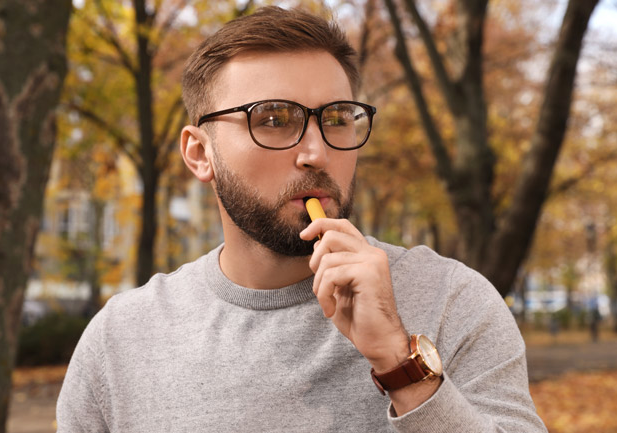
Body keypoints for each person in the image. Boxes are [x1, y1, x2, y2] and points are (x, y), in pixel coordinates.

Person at [57, 6, 546, 432]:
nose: (316, 152)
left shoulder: (450, 300)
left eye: (336, 118)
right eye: (273, 119)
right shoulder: (122, 338)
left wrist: (401, 365)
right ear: (200, 153)